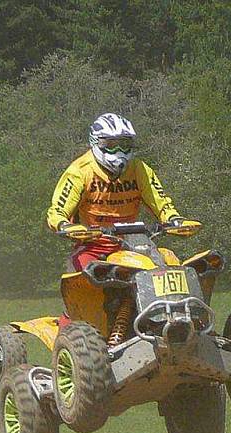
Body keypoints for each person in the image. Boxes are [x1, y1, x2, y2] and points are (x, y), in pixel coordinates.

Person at [46, 113, 197, 328]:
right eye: (111, 145)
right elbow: (57, 211)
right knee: (82, 284)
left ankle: (184, 321)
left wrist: (173, 219)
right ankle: (68, 333)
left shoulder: (139, 169)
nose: (118, 152)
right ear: (96, 143)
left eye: (124, 145)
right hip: (94, 246)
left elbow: (161, 202)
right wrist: (65, 225)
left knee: (169, 262)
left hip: (134, 245)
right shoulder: (80, 171)